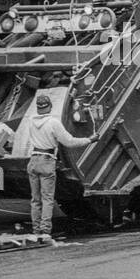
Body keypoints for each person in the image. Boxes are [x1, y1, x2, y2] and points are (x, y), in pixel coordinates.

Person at [15, 94, 95, 242]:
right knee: (47, 199)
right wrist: (89, 139)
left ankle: (36, 230)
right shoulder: (53, 123)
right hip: (46, 160)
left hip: (33, 160)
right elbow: (69, 142)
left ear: (38, 108)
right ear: (50, 106)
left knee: (35, 199)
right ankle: (45, 232)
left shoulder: (31, 120)